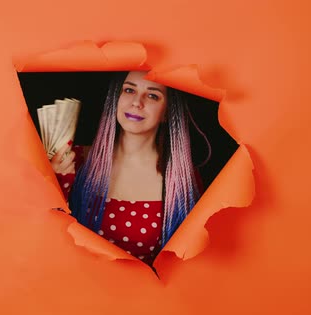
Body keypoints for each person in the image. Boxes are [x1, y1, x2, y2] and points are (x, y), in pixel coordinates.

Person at [50, 71, 202, 265]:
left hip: (143, 293)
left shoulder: (180, 180)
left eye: (153, 95)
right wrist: (55, 182)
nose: (137, 102)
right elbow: (48, 236)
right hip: (71, 286)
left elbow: (186, 263)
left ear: (166, 112)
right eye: (129, 90)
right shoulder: (74, 161)